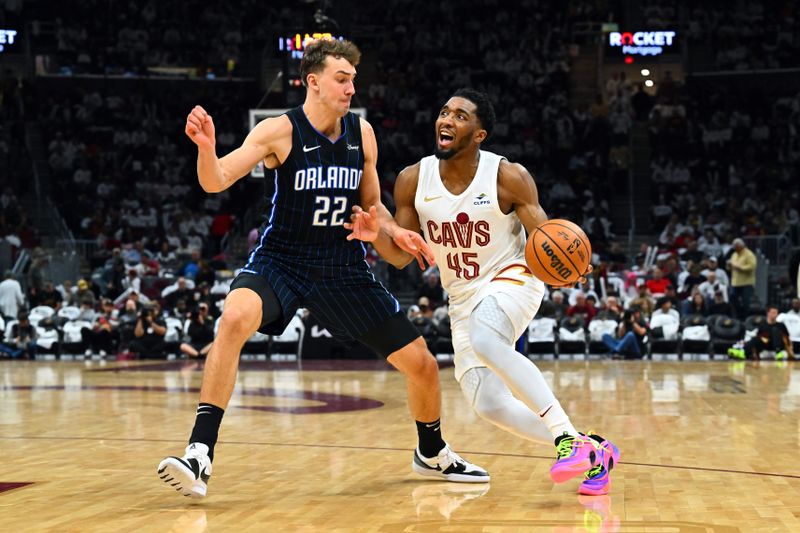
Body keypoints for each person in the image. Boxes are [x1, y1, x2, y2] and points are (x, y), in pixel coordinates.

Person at [157, 40, 487, 499]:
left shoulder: (363, 134)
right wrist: (206, 149)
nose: (352, 86)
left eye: (353, 78)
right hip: (282, 260)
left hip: (341, 267)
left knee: (424, 367)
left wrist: (395, 232)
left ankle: (431, 451)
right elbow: (215, 180)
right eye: (342, 78)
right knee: (232, 318)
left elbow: (374, 207)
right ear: (313, 82)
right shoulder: (279, 131)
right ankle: (199, 453)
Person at [346, 88, 618, 496]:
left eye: (459, 116)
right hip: (462, 298)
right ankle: (592, 449)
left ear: (479, 134)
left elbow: (544, 238)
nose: (446, 120)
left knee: (487, 339)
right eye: (443, 112)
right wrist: (375, 236)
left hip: (513, 279)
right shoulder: (412, 180)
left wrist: (569, 267)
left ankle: (565, 440)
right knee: (488, 404)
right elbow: (400, 258)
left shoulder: (508, 176)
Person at [728, 305, 794, 360]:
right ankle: (743, 352)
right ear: (768, 313)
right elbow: (758, 336)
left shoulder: (781, 325)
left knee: (775, 330)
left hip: (778, 344)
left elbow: (787, 337)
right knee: (755, 339)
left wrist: (790, 349)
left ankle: (778, 352)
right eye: (773, 312)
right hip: (767, 344)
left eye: (776, 313)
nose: (775, 314)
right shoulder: (762, 325)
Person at [728, 238, 757, 318]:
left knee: (746, 302)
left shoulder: (749, 254)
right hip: (735, 282)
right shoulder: (734, 255)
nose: (734, 248)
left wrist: (739, 267)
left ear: (740, 246)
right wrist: (729, 266)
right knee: (732, 298)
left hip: (746, 282)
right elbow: (731, 267)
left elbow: (752, 267)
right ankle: (737, 316)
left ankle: (745, 319)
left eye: (735, 247)